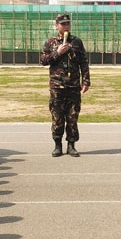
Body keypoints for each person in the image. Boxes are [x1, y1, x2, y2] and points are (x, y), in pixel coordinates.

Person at [40, 13, 91, 157]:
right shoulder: (51, 42)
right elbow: (43, 61)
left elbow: (83, 62)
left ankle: (71, 145)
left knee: (72, 117)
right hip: (57, 86)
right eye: (63, 24)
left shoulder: (76, 42)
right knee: (57, 116)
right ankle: (57, 145)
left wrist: (86, 81)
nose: (66, 26)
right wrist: (57, 52)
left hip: (73, 86)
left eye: (68, 23)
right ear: (57, 26)